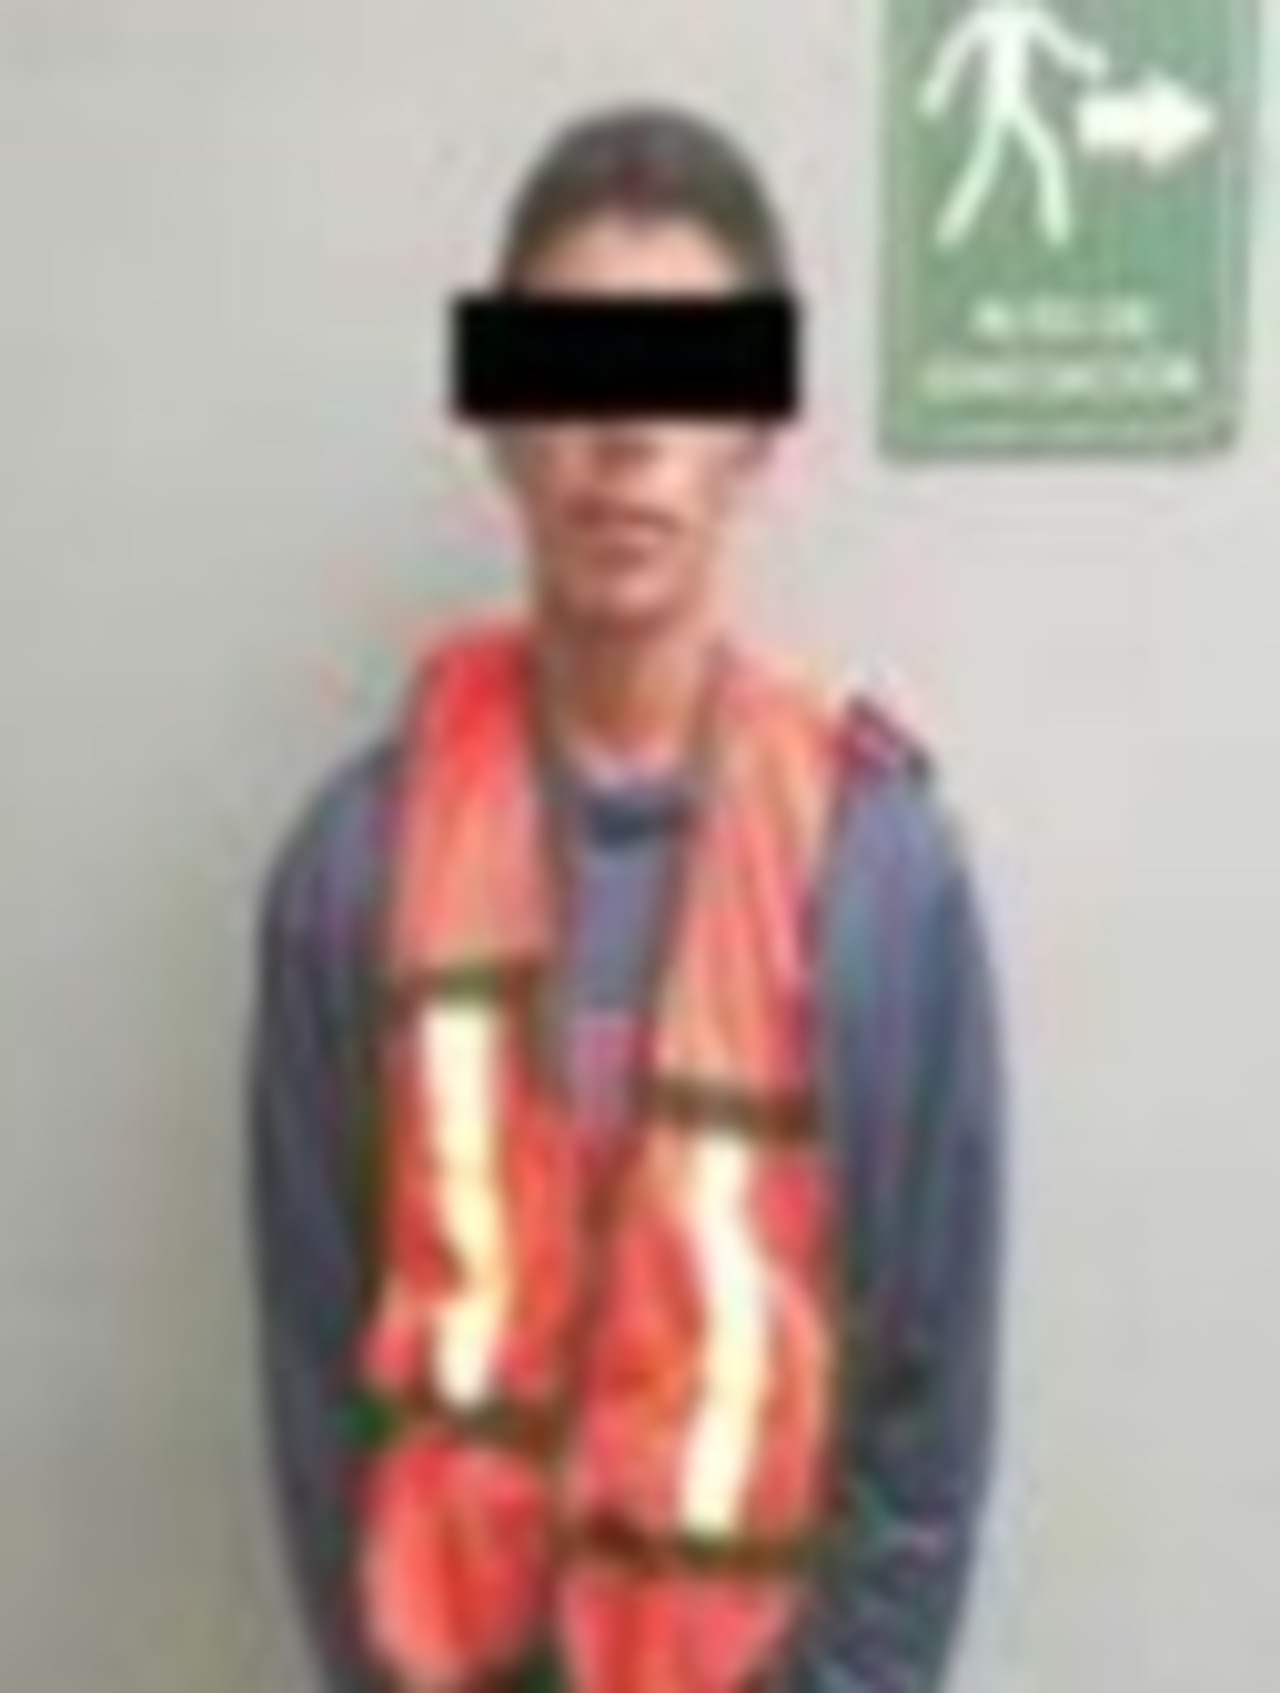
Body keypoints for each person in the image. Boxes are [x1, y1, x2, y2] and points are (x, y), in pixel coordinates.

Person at [247, 101, 1007, 1693]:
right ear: (502, 423)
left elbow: (923, 1412)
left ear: (758, 436)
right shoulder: (348, 875)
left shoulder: (885, 877)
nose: (627, 432)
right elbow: (321, 1394)